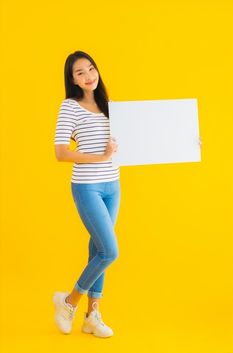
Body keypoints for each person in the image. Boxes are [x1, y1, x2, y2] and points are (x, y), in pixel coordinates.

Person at [53, 50, 120, 338]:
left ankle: (93, 316)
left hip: (113, 186)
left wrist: (187, 144)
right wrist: (100, 157)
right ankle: (69, 302)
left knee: (98, 251)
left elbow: (138, 140)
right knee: (110, 251)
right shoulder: (70, 106)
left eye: (90, 69)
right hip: (87, 186)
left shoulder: (110, 107)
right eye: (80, 72)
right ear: (73, 80)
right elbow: (60, 153)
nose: (88, 76)